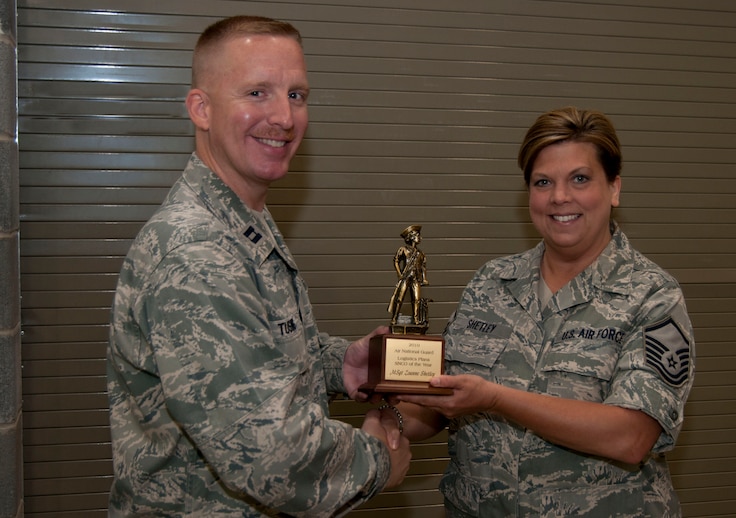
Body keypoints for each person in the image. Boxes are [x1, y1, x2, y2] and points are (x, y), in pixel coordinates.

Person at [106, 15, 410, 517]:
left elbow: (261, 354)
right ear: (200, 109)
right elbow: (269, 455)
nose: (285, 118)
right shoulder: (197, 253)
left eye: (296, 95)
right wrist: (379, 460)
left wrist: (340, 364)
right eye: (257, 93)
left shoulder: (242, 219)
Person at [394, 107, 695, 517]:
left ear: (615, 188)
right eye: (543, 182)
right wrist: (389, 413)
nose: (559, 197)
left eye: (580, 179)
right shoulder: (491, 283)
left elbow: (631, 435)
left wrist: (497, 398)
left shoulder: (652, 296)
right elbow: (441, 405)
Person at [388, 225, 429, 326]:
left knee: (417, 299)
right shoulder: (403, 249)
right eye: (418, 235)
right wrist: (399, 274)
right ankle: (394, 318)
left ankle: (416, 319)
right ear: (411, 237)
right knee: (399, 298)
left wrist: (424, 279)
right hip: (406, 277)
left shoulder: (420, 253)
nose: (420, 238)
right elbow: (396, 260)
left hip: (416, 279)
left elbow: (423, 267)